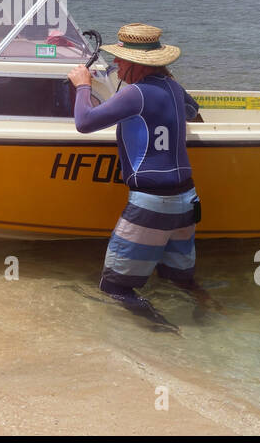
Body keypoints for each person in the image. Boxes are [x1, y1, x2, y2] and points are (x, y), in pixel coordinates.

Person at [68, 23, 201, 307]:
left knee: (115, 288)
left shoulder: (134, 94)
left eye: (120, 58)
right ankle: (211, 313)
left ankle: (164, 337)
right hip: (187, 200)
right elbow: (193, 112)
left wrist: (82, 86)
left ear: (135, 64)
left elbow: (84, 123)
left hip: (152, 204)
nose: (115, 62)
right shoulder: (174, 87)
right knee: (180, 281)